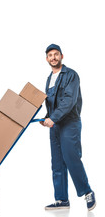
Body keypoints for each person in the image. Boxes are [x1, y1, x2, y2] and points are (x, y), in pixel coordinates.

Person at [40, 44, 96, 211]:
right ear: (46, 59)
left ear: (62, 56)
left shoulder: (71, 75)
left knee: (71, 157)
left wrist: (53, 118)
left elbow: (69, 101)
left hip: (69, 123)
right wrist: (46, 118)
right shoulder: (49, 78)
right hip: (55, 126)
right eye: (50, 55)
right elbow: (51, 105)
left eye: (56, 54)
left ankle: (87, 192)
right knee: (57, 162)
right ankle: (62, 199)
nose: (53, 58)